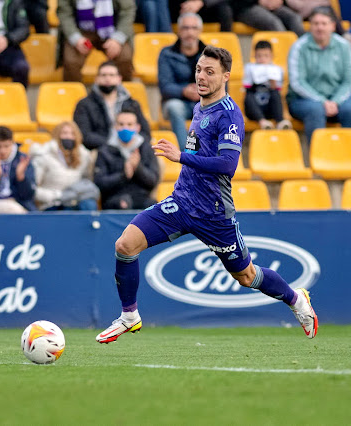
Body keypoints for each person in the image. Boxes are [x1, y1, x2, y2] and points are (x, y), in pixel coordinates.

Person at [96, 45, 318, 344]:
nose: (202, 76)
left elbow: (227, 165)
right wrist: (185, 158)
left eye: (210, 72)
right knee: (125, 245)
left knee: (247, 276)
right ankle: (129, 316)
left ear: (225, 77)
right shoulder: (200, 108)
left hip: (214, 213)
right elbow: (197, 150)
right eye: (199, 69)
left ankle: (296, 299)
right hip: (182, 202)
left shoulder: (229, 116)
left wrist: (181, 157)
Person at [287, 6, 351, 143]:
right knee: (315, 110)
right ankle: (318, 157)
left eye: (324, 24)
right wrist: (322, 101)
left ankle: (349, 156)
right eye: (315, 24)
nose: (320, 28)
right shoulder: (298, 47)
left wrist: (334, 101)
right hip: (302, 100)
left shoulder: (344, 46)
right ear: (310, 26)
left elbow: (349, 80)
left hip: (335, 99)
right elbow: (297, 82)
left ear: (332, 26)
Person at [74, 61, 151, 151]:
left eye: (112, 75)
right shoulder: (84, 104)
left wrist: (131, 143)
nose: (107, 79)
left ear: (119, 79)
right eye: (103, 75)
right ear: (96, 79)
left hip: (131, 148)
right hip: (100, 150)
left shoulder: (132, 104)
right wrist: (112, 143)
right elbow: (84, 135)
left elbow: (145, 133)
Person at [93, 107, 159, 210]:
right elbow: (100, 183)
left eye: (129, 124)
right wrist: (123, 175)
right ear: (115, 127)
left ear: (137, 127)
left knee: (155, 208)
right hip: (114, 199)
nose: (125, 128)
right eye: (121, 124)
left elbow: (153, 181)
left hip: (142, 198)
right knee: (123, 203)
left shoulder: (146, 149)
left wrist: (137, 168)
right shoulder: (105, 151)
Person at [157, 12, 205, 150]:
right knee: (174, 107)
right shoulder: (167, 53)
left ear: (200, 30)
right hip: (177, 102)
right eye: (185, 28)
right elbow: (165, 87)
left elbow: (221, 88)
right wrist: (185, 91)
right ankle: (188, 155)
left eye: (193, 28)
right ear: (178, 30)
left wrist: (202, 92)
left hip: (203, 102)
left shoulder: (212, 55)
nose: (189, 32)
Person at [30, 121, 99, 211]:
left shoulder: (83, 155)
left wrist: (75, 194)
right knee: (68, 211)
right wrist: (58, 196)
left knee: (89, 204)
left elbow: (86, 180)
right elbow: (32, 188)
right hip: (52, 203)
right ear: (57, 135)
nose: (69, 137)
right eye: (64, 133)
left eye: (72, 134)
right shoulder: (44, 155)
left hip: (74, 199)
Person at [58, 0, 135, 81]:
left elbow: (128, 11)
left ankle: (122, 91)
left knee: (124, 57)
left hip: (111, 29)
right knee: (71, 60)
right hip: (81, 30)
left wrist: (117, 39)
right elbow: (64, 13)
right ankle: (73, 91)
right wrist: (76, 39)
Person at [243, 40, 292, 130]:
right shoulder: (249, 68)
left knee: (276, 94)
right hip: (255, 108)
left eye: (266, 56)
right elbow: (247, 88)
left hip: (269, 107)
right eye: (259, 56)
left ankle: (280, 121)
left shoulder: (277, 70)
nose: (262, 59)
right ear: (254, 56)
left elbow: (278, 89)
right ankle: (262, 121)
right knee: (248, 96)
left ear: (271, 56)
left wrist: (272, 82)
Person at [286, 0, 351, 53]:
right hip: (301, 13)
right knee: (324, 11)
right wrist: (314, 4)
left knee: (327, 11)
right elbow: (297, 5)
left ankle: (345, 41)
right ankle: (347, 40)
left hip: (318, 9)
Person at [232, 0, 305, 37]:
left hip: (273, 6)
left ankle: (305, 51)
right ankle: (286, 54)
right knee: (275, 23)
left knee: (295, 18)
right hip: (246, 7)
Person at [168, 0, 233, 32]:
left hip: (207, 9)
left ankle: (224, 48)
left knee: (225, 9)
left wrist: (201, 2)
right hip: (180, 8)